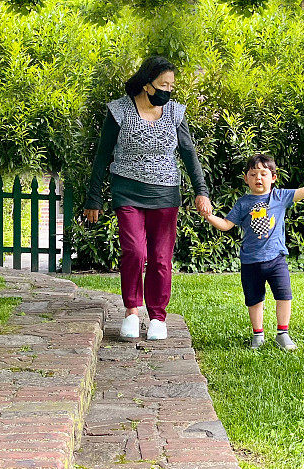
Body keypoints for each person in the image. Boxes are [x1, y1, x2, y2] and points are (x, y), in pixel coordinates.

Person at [83, 56, 212, 341]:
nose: (168, 90)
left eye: (171, 86)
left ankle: (158, 317)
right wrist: (94, 198)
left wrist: (201, 191)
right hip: (127, 190)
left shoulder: (175, 114)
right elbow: (102, 155)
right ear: (146, 83)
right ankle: (132, 311)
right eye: (163, 84)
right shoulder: (119, 111)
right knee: (135, 252)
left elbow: (189, 155)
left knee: (161, 259)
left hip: (166, 193)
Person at [202, 153, 304, 350]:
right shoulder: (243, 203)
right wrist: (209, 216)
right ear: (245, 178)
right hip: (250, 262)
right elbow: (226, 225)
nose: (258, 178)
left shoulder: (280, 197)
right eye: (253, 174)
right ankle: (258, 335)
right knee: (254, 299)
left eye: (263, 174)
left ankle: (283, 334)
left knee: (284, 296)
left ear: (273, 177)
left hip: (276, 260)